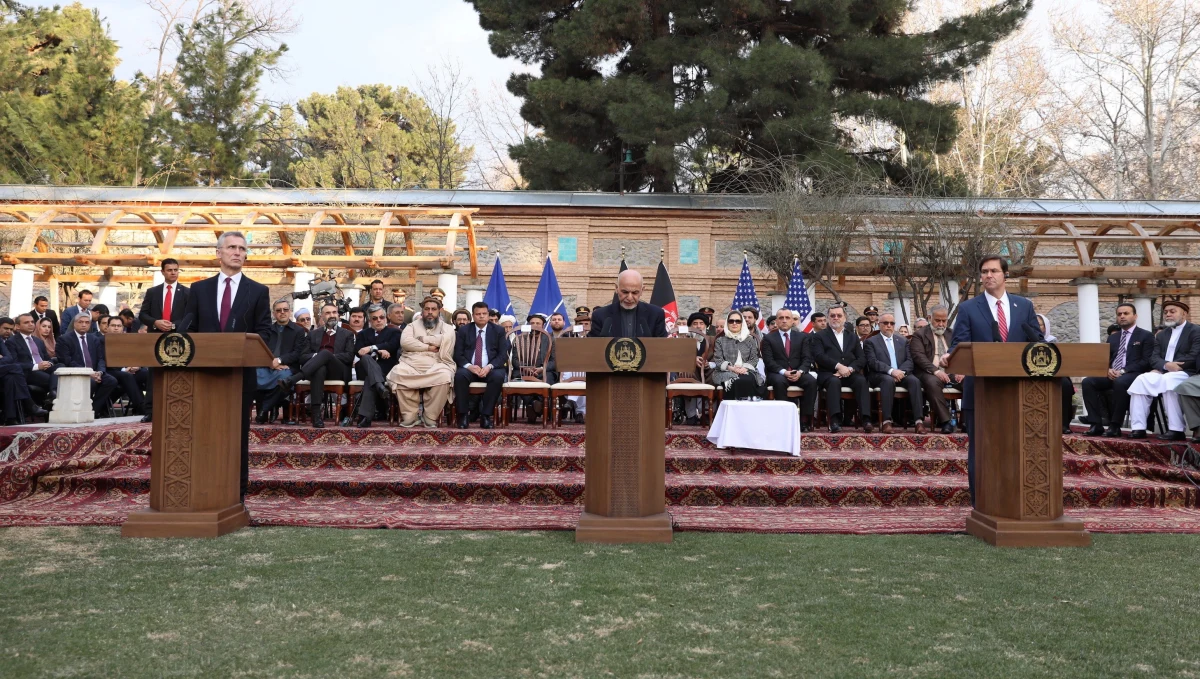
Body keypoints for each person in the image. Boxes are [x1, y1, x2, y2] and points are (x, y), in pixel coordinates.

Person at [179, 231, 272, 500]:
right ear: (218, 253)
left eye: (242, 249)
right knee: (204, 434)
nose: (238, 252)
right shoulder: (199, 289)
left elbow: (264, 333)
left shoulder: (258, 291)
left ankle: (236, 493)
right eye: (231, 247)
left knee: (236, 436)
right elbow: (190, 328)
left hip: (239, 377)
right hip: (203, 376)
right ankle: (202, 488)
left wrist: (237, 350)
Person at [949, 255, 1042, 503]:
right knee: (981, 448)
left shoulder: (1023, 306)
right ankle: (981, 502)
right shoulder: (968, 308)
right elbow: (959, 344)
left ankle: (1015, 499)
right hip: (981, 390)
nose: (988, 276)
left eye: (993, 271)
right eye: (984, 272)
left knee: (1015, 446)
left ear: (1005, 275)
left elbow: (1037, 343)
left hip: (1018, 390)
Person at [1127, 300, 1200, 440]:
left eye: (1172, 312)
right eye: (1166, 312)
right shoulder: (1161, 335)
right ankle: (1138, 428)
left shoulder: (1195, 331)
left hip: (1187, 372)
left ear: (1184, 313)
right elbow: (1153, 358)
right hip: (1164, 370)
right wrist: (1166, 365)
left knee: (1169, 380)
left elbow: (1194, 355)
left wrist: (1177, 367)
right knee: (1141, 379)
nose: (1168, 315)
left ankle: (1176, 429)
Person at [277, 303, 355, 428]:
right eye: (328, 313)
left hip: (338, 370)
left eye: (334, 312)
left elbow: (349, 356)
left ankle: (293, 379)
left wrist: (328, 357)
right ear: (321, 316)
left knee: (324, 353)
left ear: (338, 315)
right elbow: (302, 357)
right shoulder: (313, 334)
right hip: (316, 370)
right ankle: (317, 417)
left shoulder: (347, 334)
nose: (332, 315)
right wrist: (318, 358)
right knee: (320, 368)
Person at [1082, 303, 1154, 437]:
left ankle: (1115, 425)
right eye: (1119, 314)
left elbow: (1146, 361)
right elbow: (1106, 358)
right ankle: (1095, 424)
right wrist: (1107, 369)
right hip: (1112, 373)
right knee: (1088, 382)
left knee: (1120, 382)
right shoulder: (1113, 337)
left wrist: (1123, 371)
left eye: (1126, 313)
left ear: (1135, 316)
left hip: (1133, 374)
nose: (1122, 316)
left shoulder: (1146, 336)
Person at [387, 297, 456, 428]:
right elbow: (406, 343)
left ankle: (430, 416)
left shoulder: (447, 328)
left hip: (437, 363)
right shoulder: (411, 326)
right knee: (398, 372)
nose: (430, 312)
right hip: (411, 363)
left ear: (439, 311)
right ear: (422, 310)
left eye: (433, 309)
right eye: (427, 309)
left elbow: (446, 339)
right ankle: (410, 416)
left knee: (445, 376)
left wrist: (422, 338)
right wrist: (428, 347)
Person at [138, 258, 189, 422]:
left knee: (177, 374)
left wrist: (173, 326)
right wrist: (155, 322)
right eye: (170, 270)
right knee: (154, 374)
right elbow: (143, 315)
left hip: (178, 339)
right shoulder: (153, 292)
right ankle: (151, 411)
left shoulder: (187, 292)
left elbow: (190, 316)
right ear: (163, 272)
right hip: (156, 338)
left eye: (176, 269)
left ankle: (178, 410)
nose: (173, 272)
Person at [812, 304, 872, 432]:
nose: (836, 318)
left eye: (839, 315)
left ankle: (866, 420)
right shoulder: (819, 336)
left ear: (845, 317)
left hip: (850, 372)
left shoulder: (852, 336)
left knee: (861, 381)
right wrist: (839, 367)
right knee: (834, 382)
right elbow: (819, 356)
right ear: (828, 318)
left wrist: (849, 369)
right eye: (832, 315)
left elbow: (861, 358)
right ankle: (834, 420)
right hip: (829, 373)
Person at [864, 313, 926, 433]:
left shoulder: (903, 341)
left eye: (892, 323)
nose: (889, 326)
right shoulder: (871, 341)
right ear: (879, 324)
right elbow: (873, 362)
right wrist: (892, 371)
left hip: (901, 373)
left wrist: (901, 372)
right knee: (887, 380)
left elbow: (909, 360)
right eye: (885, 323)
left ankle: (919, 422)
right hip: (880, 374)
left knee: (914, 381)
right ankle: (886, 422)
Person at [760, 308, 818, 431]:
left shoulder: (802, 337)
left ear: (792, 321)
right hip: (778, 373)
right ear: (776, 321)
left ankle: (804, 420)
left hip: (798, 372)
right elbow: (768, 361)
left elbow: (807, 358)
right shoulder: (768, 338)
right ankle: (784, 419)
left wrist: (800, 371)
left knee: (811, 381)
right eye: (781, 318)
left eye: (787, 318)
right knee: (779, 381)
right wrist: (784, 372)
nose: (784, 321)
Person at [255, 299, 311, 424]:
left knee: (284, 380)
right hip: (267, 365)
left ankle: (264, 409)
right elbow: (260, 349)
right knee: (253, 376)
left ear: (290, 312)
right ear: (274, 314)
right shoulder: (267, 330)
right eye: (278, 310)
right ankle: (274, 405)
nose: (282, 312)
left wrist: (279, 360)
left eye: (285, 310)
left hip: (288, 367)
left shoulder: (299, 331)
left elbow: (297, 353)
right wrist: (270, 363)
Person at [453, 301, 508, 429]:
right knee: (460, 376)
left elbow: (502, 355)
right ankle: (463, 416)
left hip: (490, 368)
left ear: (488, 315)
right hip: (470, 369)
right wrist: (469, 366)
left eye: (484, 313)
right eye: (478, 314)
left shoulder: (498, 330)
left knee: (498, 377)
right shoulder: (464, 330)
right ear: (473, 316)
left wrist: (489, 367)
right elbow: (458, 354)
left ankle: (486, 416)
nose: (482, 316)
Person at [348, 305, 401, 428]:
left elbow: (392, 345)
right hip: (364, 368)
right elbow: (359, 351)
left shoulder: (394, 332)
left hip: (385, 370)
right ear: (370, 321)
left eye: (381, 317)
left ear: (386, 318)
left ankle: (365, 418)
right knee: (366, 358)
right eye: (375, 318)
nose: (379, 320)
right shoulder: (363, 334)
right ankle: (379, 386)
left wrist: (372, 348)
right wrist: (379, 351)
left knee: (370, 379)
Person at [57, 313, 118, 419]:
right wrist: (88, 373)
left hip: (95, 373)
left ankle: (94, 409)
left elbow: (100, 359)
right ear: (75, 323)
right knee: (92, 383)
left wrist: (99, 372)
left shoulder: (93, 339)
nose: (84, 325)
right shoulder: (64, 339)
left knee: (111, 380)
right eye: (80, 322)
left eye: (87, 322)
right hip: (77, 373)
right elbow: (67, 361)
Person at [910, 305, 958, 434]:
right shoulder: (919, 335)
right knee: (932, 383)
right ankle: (946, 421)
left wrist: (962, 372)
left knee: (970, 381)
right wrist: (936, 371)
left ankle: (969, 421)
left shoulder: (952, 333)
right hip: (929, 372)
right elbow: (918, 357)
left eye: (944, 321)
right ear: (930, 318)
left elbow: (961, 353)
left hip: (951, 371)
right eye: (938, 320)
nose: (941, 324)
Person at [588, 270, 669, 338]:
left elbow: (662, 346)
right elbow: (593, 346)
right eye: (625, 292)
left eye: (635, 293)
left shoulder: (656, 314)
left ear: (642, 290)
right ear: (616, 288)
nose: (629, 298)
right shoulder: (600, 315)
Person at [709, 311, 765, 400]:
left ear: (742, 323)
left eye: (738, 321)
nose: (734, 323)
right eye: (731, 321)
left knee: (747, 379)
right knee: (735, 379)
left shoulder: (749, 340)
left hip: (747, 370)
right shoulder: (720, 340)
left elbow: (754, 359)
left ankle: (748, 408)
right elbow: (718, 360)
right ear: (727, 323)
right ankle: (733, 409)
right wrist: (732, 368)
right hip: (725, 371)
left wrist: (745, 368)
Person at [1036, 313, 1078, 434]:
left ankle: (1064, 424)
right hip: (1032, 373)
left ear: (1045, 327)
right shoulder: (1024, 339)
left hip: (1053, 372)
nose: (1037, 328)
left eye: (1039, 325)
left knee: (1065, 385)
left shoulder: (1051, 340)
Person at [8, 312, 58, 409]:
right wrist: (37, 366)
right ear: (17, 326)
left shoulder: (38, 341)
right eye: (26, 322)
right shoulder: (12, 342)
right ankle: (52, 394)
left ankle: (52, 394)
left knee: (61, 367)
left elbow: (47, 358)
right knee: (59, 379)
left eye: (32, 322)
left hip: (45, 369)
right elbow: (14, 363)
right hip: (29, 372)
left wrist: (49, 363)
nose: (31, 324)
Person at [102, 316, 149, 416]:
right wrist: (124, 369)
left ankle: (152, 404)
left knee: (146, 373)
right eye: (113, 325)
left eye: (119, 326)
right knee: (126, 376)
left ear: (122, 328)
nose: (116, 328)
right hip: (110, 371)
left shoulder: (128, 340)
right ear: (107, 327)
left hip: (128, 371)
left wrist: (137, 366)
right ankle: (142, 408)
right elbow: (102, 361)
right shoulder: (101, 341)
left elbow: (136, 356)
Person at [0, 320, 43, 426]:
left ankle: (11, 418)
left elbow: (9, 358)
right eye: (6, 328)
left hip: (3, 371)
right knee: (17, 367)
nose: (9, 331)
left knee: (11, 379)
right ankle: (29, 403)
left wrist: (2, 359)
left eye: (10, 329)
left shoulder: (2, 341)